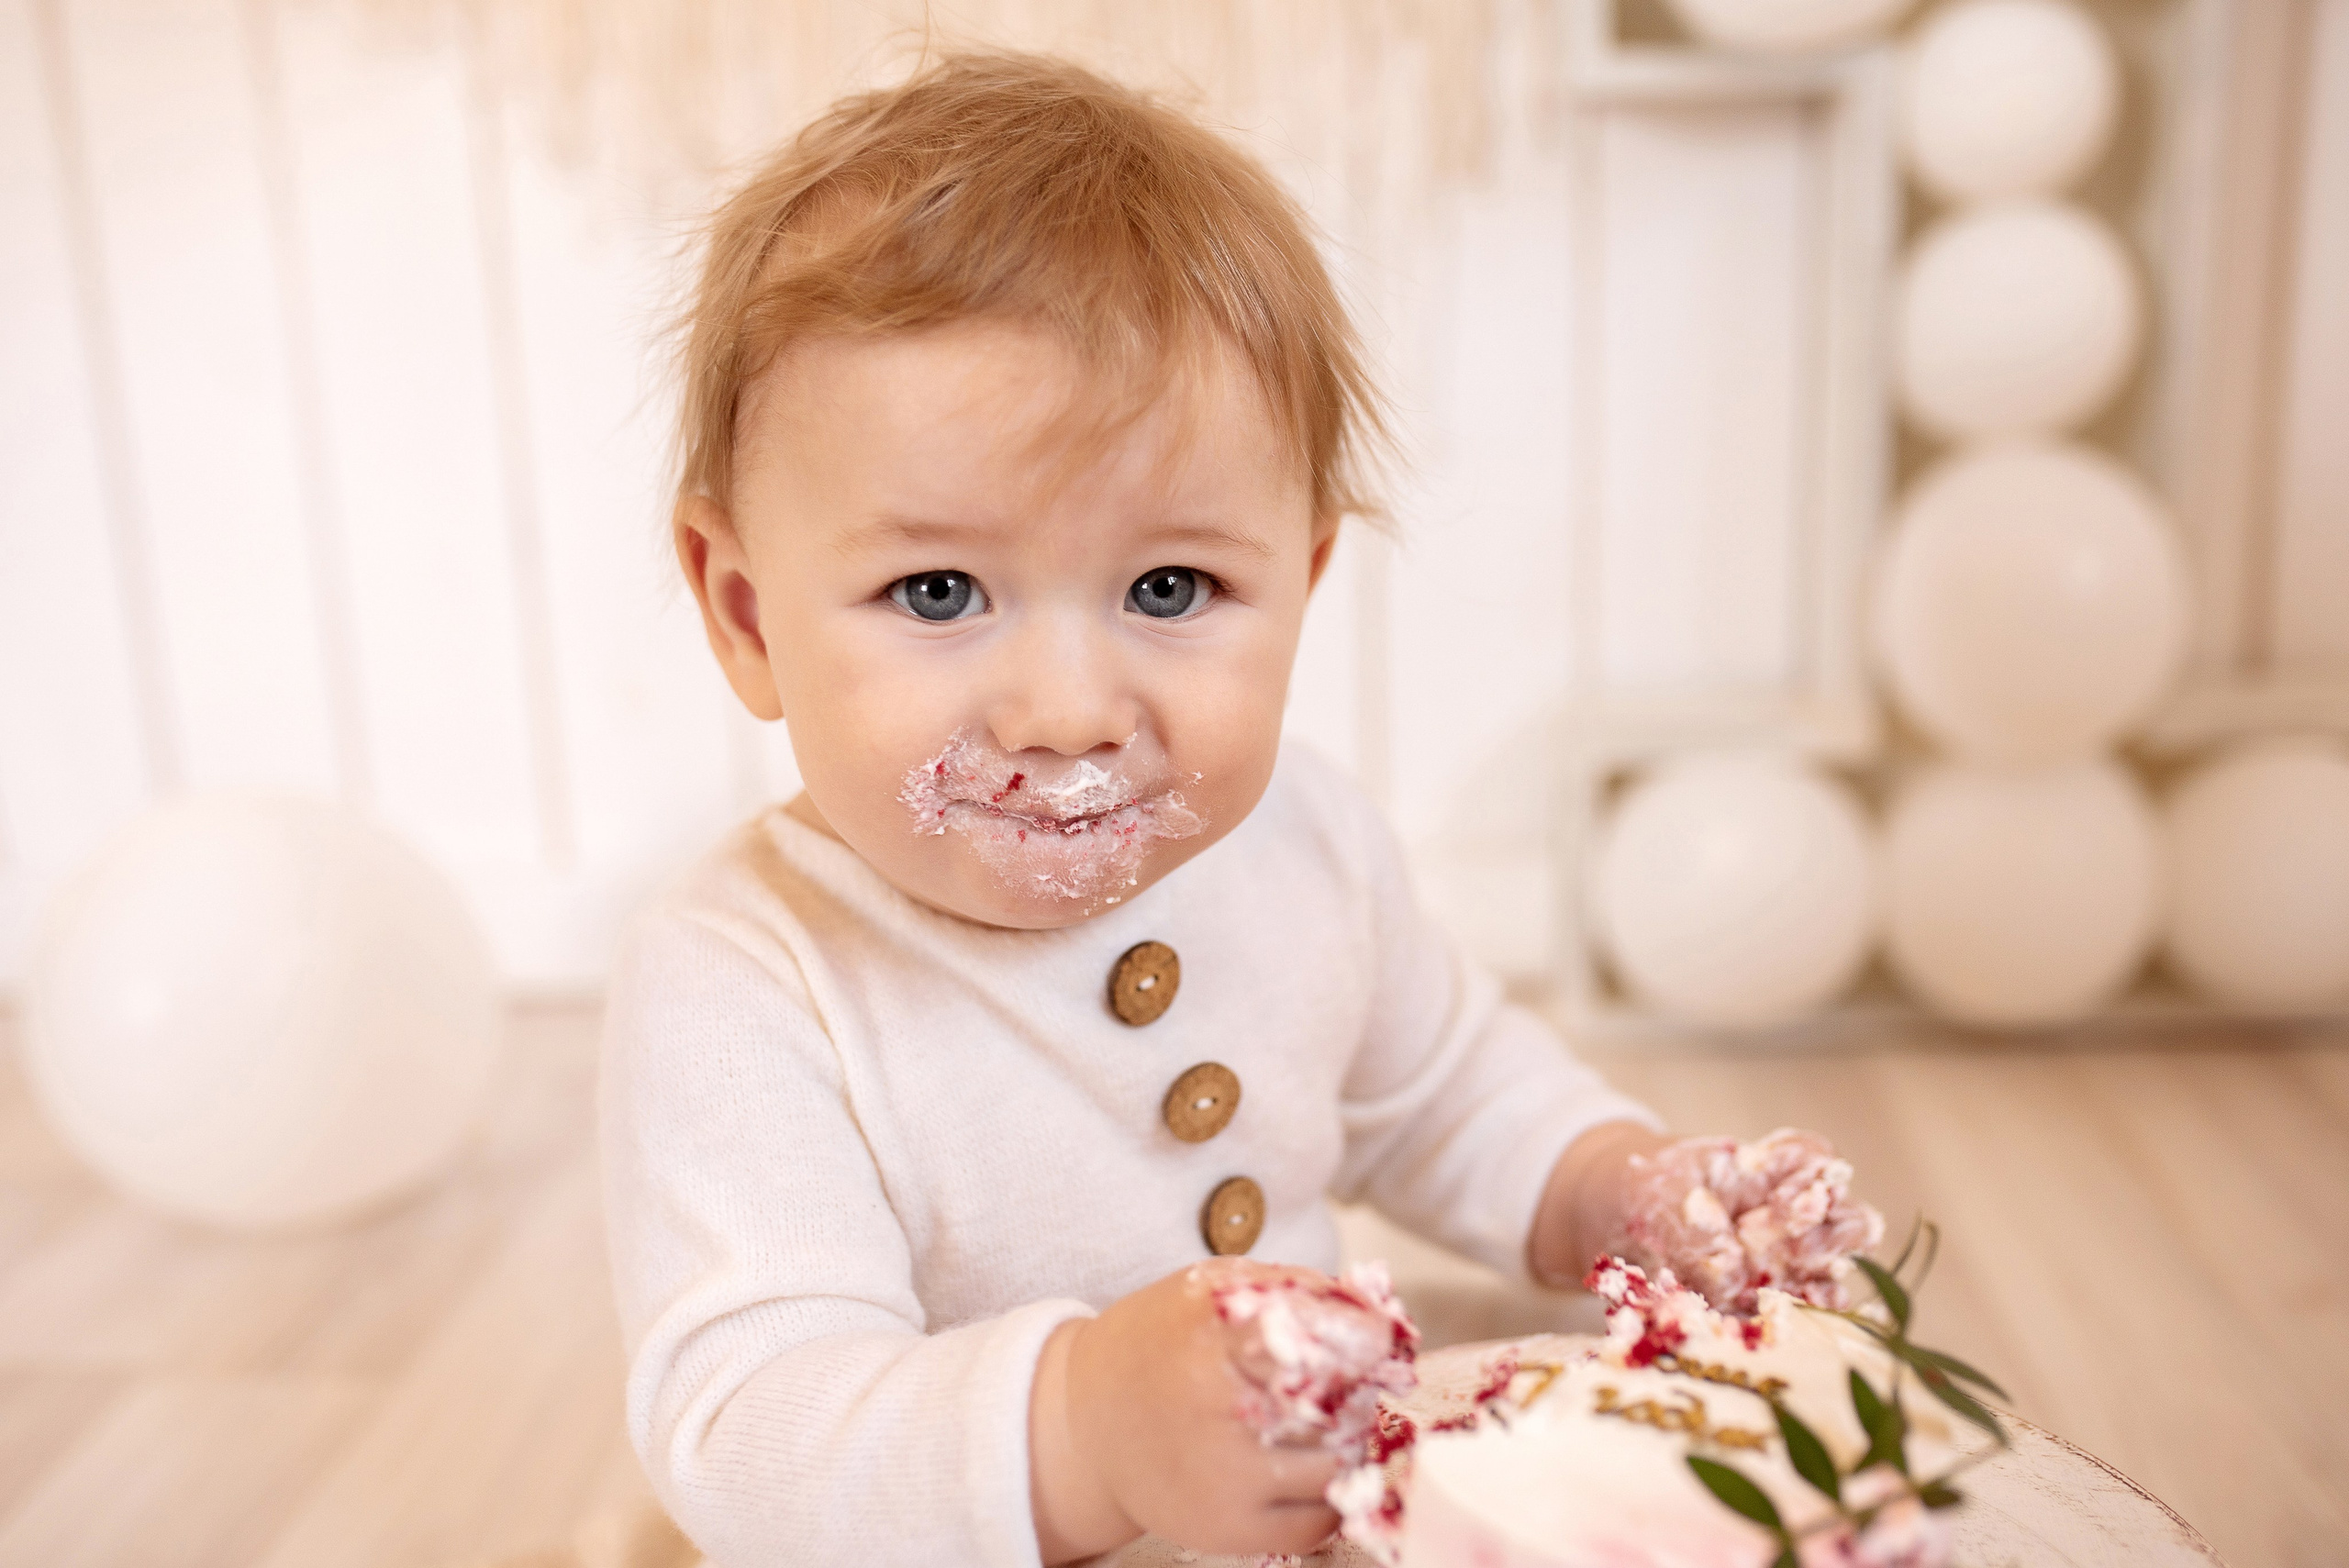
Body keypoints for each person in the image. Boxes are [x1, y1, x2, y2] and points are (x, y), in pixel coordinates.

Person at [599, 50, 1876, 1568]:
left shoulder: (1302, 845)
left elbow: (1449, 1091)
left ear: (1304, 581)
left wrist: (1616, 1190)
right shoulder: (746, 985)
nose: (1066, 708)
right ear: (746, 613)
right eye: (938, 592)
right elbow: (748, 1430)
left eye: (1168, 588)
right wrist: (1085, 1428)